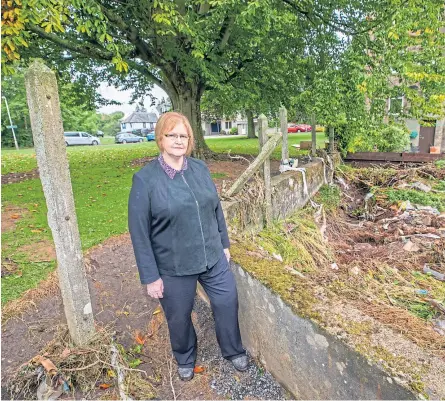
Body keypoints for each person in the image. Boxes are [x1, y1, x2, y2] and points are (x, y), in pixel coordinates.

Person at [128, 111, 248, 381]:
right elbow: (139, 233)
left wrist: (224, 244)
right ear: (161, 138)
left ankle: (232, 350)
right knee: (179, 317)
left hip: (211, 256)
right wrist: (151, 277)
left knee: (227, 301)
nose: (179, 141)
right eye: (172, 135)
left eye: (184, 136)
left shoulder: (200, 169)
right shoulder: (145, 180)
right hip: (173, 265)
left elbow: (215, 208)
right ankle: (184, 356)